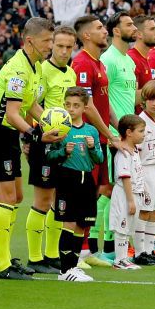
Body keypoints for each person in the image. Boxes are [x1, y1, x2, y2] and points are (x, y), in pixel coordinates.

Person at [0, 16, 54, 280]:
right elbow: (12, 113)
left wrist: (52, 123)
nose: (50, 46)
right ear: (30, 41)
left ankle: (6, 257)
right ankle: (2, 264)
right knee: (7, 198)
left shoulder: (35, 67)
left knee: (18, 197)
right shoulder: (18, 70)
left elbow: (31, 105)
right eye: (47, 41)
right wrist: (36, 134)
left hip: (9, 133)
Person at [28, 24, 78, 274]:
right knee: (43, 199)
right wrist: (30, 138)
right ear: (51, 45)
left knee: (59, 199)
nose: (64, 51)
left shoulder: (70, 73)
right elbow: (30, 104)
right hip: (46, 143)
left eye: (69, 47)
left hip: (64, 145)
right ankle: (34, 258)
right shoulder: (42, 71)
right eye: (59, 46)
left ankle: (51, 254)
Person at [70, 14, 115, 266]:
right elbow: (85, 107)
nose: (105, 31)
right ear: (86, 35)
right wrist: (108, 134)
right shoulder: (83, 65)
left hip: (100, 139)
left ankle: (87, 249)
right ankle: (76, 252)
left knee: (100, 190)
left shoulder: (99, 64)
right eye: (99, 28)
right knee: (85, 193)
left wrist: (114, 129)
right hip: (86, 140)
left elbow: (104, 105)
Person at [52, 86, 104, 283]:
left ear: (84, 108)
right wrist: (63, 151)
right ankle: (64, 270)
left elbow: (99, 158)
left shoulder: (91, 130)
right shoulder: (61, 130)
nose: (71, 109)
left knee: (82, 224)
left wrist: (91, 148)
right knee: (69, 223)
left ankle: (73, 266)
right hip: (68, 178)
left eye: (75, 105)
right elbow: (50, 156)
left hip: (87, 180)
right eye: (67, 105)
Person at [133, 81, 155, 266]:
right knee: (144, 211)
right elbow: (136, 152)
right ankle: (139, 252)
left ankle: (149, 250)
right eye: (151, 99)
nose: (154, 103)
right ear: (144, 100)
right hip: (145, 170)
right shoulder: (140, 121)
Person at [109, 115, 146, 270]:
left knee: (129, 227)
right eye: (141, 131)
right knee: (122, 227)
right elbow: (125, 177)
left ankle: (124, 257)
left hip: (134, 193)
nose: (144, 134)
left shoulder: (135, 149)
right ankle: (119, 260)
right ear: (129, 132)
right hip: (124, 195)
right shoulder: (123, 153)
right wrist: (130, 200)